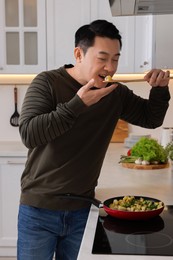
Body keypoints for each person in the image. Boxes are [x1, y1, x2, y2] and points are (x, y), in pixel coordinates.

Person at [17, 19, 170, 260]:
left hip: (82, 209)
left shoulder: (114, 93)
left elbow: (150, 118)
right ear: (79, 54)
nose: (110, 67)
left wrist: (160, 89)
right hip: (39, 209)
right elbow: (29, 134)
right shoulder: (47, 82)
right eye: (102, 58)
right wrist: (77, 104)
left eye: (115, 58)